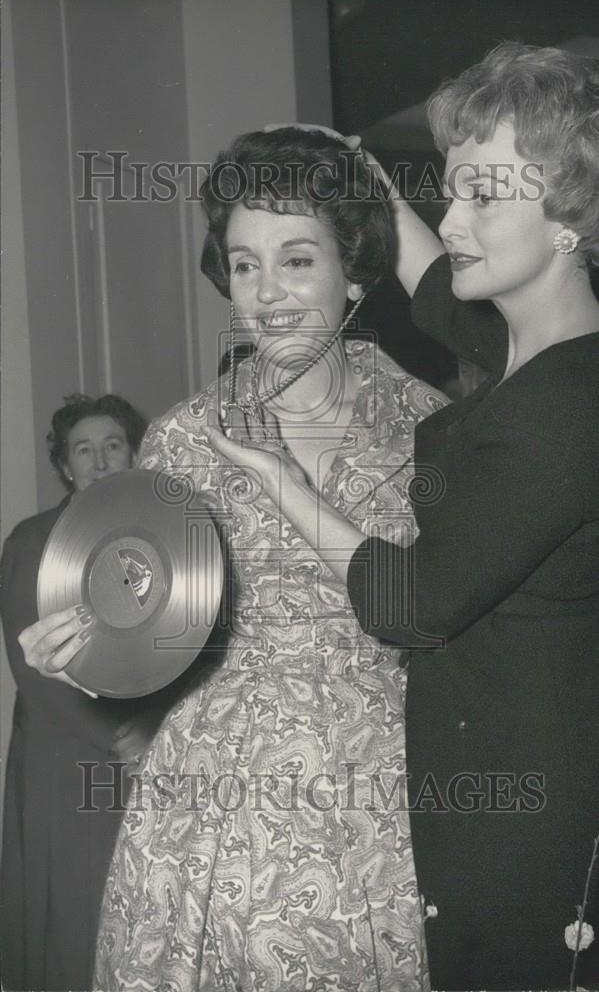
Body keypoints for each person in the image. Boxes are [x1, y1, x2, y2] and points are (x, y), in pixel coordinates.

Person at [204, 44, 599, 990]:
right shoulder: (534, 350)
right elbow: (441, 300)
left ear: (568, 223)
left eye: (483, 199)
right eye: (450, 192)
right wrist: (380, 192)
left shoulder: (564, 403)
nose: (454, 220)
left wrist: (283, 481)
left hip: (523, 823)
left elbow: (411, 606)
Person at [20, 129, 447, 991]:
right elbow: (150, 627)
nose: (269, 295)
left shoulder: (433, 426)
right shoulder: (184, 438)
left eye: (296, 260)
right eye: (245, 266)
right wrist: (80, 657)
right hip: (213, 801)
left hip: (390, 791)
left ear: (355, 272)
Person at [0, 394, 184, 991]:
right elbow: (35, 668)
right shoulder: (33, 541)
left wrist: (163, 729)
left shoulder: (159, 533)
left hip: (152, 753)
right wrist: (122, 738)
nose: (100, 461)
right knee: (76, 915)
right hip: (69, 755)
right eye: (84, 449)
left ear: (134, 454)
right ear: (64, 465)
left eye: (113, 446)